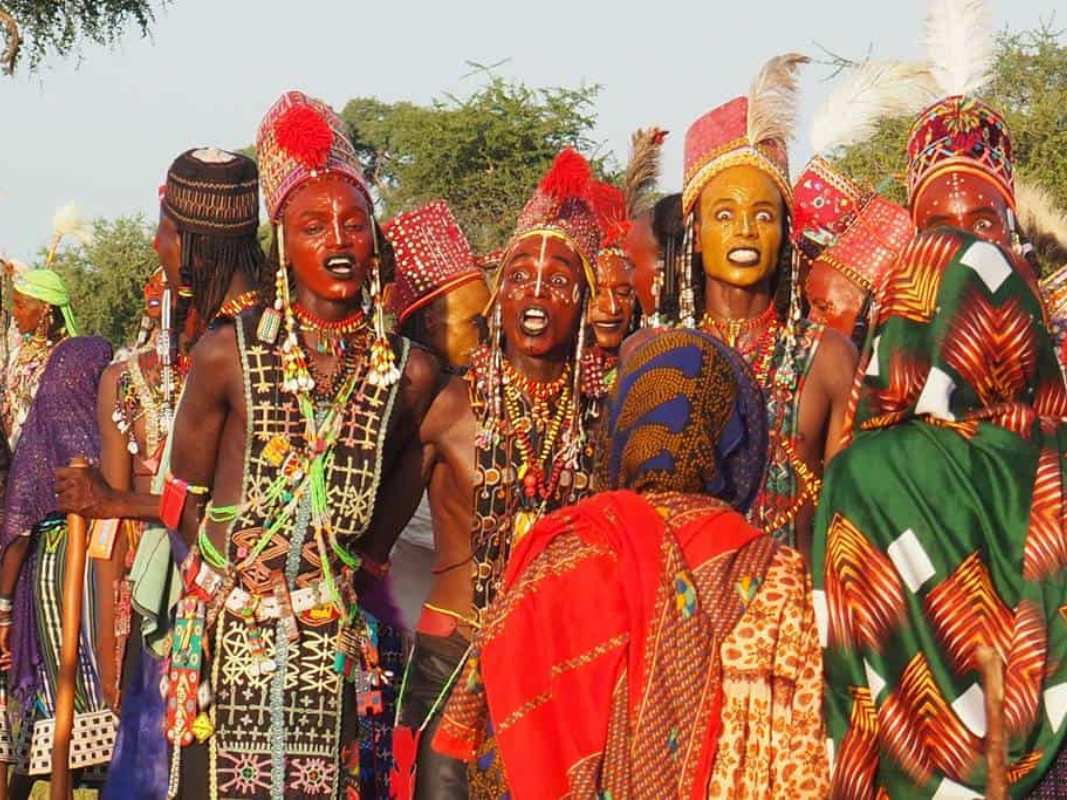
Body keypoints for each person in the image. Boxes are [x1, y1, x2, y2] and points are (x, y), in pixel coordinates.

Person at [163, 91, 440, 799]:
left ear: (374, 240)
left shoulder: (406, 372)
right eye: (314, 226)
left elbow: (411, 462)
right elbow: (180, 493)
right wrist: (229, 584)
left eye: (353, 224)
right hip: (228, 638)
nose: (339, 241)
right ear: (282, 243)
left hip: (329, 634)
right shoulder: (230, 353)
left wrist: (356, 563)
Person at [434, 329, 828, 799]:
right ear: (727, 437)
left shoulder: (561, 554)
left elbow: (491, 718)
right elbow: (800, 752)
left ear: (626, 427)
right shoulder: (773, 571)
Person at [814, 227, 1067, 797]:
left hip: (907, 780)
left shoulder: (864, 476)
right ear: (1018, 329)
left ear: (903, 324)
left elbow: (849, 669)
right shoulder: (1058, 457)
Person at [405, 149, 604, 798]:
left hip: (562, 670)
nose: (537, 292)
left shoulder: (606, 423)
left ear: (585, 302)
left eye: (558, 281)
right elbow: (370, 548)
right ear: (497, 300)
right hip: (450, 660)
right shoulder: (447, 410)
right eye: (519, 276)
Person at [677, 53, 857, 553]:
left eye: (763, 214)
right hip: (682, 618)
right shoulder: (658, 355)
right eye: (724, 213)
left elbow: (847, 516)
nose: (744, 229)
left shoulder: (828, 358)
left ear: (783, 234)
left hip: (793, 615)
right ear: (696, 235)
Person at [0, 269, 113, 795]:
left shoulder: (67, 368)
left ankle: (78, 758)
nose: (18, 314)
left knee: (71, 652)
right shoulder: (23, 360)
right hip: (41, 513)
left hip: (58, 532)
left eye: (23, 305)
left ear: (46, 309)